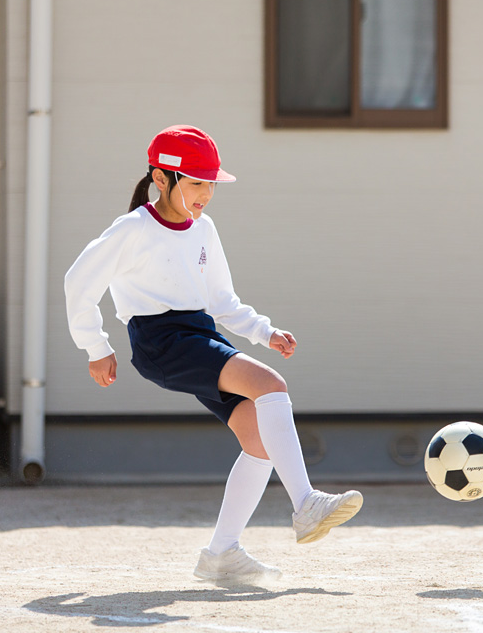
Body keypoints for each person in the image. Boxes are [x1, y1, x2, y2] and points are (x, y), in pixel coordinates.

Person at [64, 125, 363, 584]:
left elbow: (222, 301)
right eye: (196, 183)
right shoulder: (133, 228)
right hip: (160, 341)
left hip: (199, 332)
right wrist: (96, 346)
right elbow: (78, 281)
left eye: (211, 184)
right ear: (161, 179)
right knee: (271, 385)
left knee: (258, 438)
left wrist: (264, 331)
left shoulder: (204, 229)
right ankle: (305, 505)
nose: (206, 193)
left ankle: (221, 554)